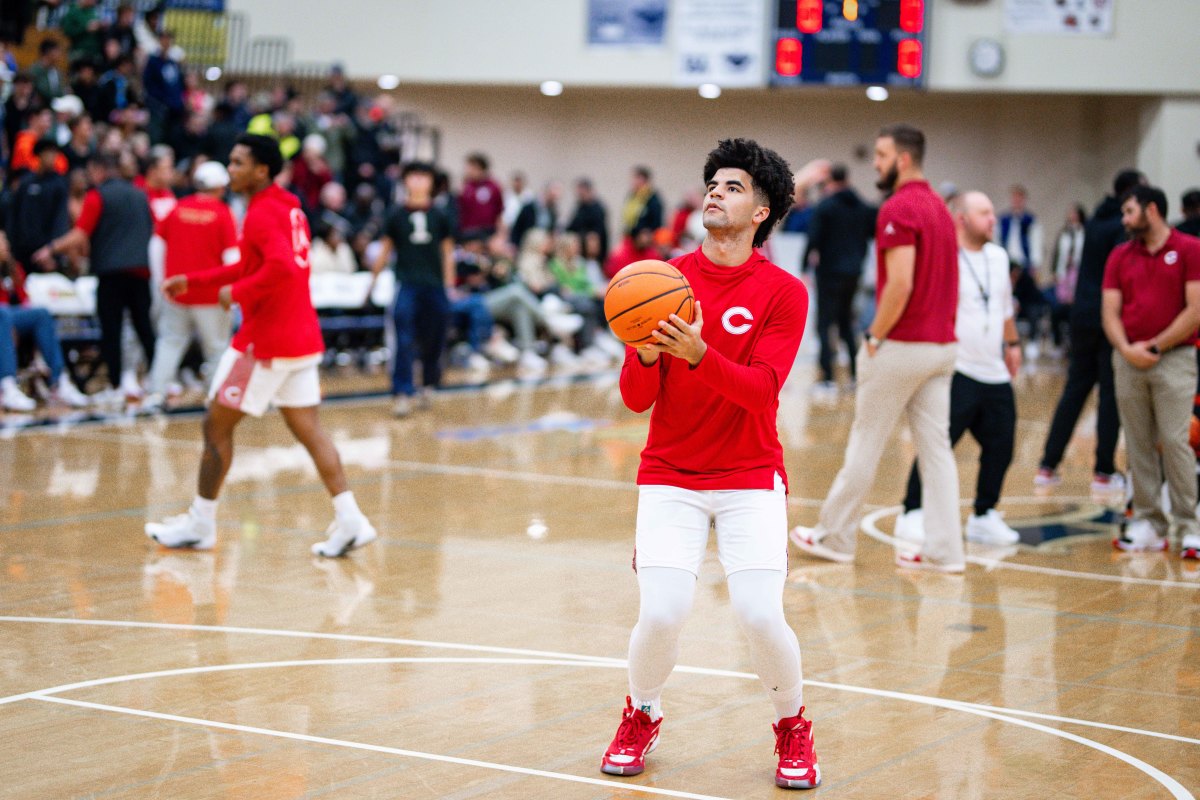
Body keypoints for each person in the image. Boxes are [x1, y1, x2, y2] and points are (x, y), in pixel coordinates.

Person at [602, 138, 819, 790]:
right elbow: (636, 398)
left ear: (761, 211)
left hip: (751, 473)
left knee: (758, 612)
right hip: (670, 470)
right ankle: (642, 712)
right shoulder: (661, 280)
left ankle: (792, 725)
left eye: (732, 187)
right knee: (663, 611)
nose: (715, 193)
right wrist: (645, 353)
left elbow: (761, 392)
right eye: (713, 184)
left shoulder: (783, 293)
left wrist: (699, 352)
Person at [145, 134, 377, 558]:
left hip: (265, 342)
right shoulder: (288, 208)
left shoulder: (261, 213)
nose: (230, 169)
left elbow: (281, 270)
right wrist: (197, 281)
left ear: (261, 171)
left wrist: (237, 292)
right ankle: (351, 520)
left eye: (237, 163)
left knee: (215, 426)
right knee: (310, 431)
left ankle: (200, 523)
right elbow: (253, 263)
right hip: (302, 337)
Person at [791, 124, 964, 572]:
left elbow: (901, 282)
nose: (876, 162)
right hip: (942, 347)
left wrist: (875, 335)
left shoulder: (898, 208)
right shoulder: (942, 210)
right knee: (937, 453)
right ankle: (946, 552)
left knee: (864, 444)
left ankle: (834, 536)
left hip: (903, 345)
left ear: (903, 160)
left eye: (882, 154)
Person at [894, 191, 1022, 547]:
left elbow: (1003, 308)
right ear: (962, 218)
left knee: (1002, 445)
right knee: (938, 443)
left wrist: (1012, 344)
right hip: (957, 368)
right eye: (985, 213)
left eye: (993, 212)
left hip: (994, 369)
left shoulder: (998, 257)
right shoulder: (943, 258)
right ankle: (912, 511)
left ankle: (984, 514)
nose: (993, 219)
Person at [1102, 185, 1200, 559]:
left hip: (1174, 357)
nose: (1124, 219)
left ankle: (1190, 525)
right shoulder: (1119, 255)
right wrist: (1127, 348)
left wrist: (1157, 345)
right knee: (1138, 442)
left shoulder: (1190, 249)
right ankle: (1148, 522)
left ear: (1152, 210)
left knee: (1175, 442)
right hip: (1128, 359)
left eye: (1129, 211)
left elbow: (1195, 310)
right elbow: (1110, 311)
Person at [1034, 169, 1145, 490]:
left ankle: (1047, 464)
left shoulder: (1094, 220)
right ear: (1132, 193)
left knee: (1074, 391)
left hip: (1081, 315)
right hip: (1107, 318)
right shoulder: (1121, 229)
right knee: (1109, 394)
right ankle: (1104, 470)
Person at [32, 151, 156, 402]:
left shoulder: (97, 195)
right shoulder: (140, 195)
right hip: (142, 270)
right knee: (145, 328)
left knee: (111, 329)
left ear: (99, 169)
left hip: (111, 272)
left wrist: (51, 249)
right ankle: (161, 380)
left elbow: (80, 234)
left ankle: (116, 385)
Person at [145, 161, 239, 404]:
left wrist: (161, 281)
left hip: (176, 292)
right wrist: (234, 289)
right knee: (216, 348)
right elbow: (232, 257)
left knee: (169, 342)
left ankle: (156, 392)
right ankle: (215, 395)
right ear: (220, 187)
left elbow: (156, 244)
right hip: (211, 296)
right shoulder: (222, 213)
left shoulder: (177, 208)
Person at [369, 161, 455, 418]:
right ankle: (402, 392)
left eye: (423, 176)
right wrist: (372, 280)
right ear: (405, 181)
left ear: (431, 182)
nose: (417, 181)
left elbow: (447, 252)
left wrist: (449, 286)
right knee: (403, 337)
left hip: (435, 286)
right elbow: (385, 249)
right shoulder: (395, 214)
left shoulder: (440, 214)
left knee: (434, 337)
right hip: (406, 284)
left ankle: (428, 383)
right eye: (413, 176)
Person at [803, 163, 876, 392]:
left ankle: (827, 378)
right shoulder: (863, 206)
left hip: (829, 273)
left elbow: (813, 239)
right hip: (854, 273)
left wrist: (804, 267)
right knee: (846, 323)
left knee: (825, 324)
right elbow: (872, 234)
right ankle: (855, 374)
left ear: (830, 182)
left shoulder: (826, 206)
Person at [0, 231, 90, 410]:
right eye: (2, 241)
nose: (5, 244)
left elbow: (24, 300)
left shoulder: (14, 268)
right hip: (3, 317)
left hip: (13, 318)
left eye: (5, 240)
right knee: (3, 315)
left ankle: (59, 381)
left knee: (41, 313)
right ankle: (7, 386)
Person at [6, 138, 71, 271]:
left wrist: (53, 252)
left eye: (54, 153)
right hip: (22, 251)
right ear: (40, 155)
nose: (52, 158)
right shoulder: (25, 183)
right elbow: (14, 216)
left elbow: (60, 221)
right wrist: (11, 249)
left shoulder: (59, 184)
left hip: (45, 253)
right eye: (48, 153)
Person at [567, 177, 609, 263]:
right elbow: (572, 226)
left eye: (582, 193)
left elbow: (598, 231)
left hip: (592, 251)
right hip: (580, 247)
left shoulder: (597, 208)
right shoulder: (580, 207)